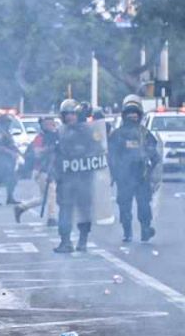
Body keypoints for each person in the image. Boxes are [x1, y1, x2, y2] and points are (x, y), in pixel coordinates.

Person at [53, 99, 106, 253]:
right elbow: (55, 153)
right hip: (66, 178)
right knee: (65, 210)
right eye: (66, 114)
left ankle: (82, 240)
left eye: (72, 113)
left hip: (83, 177)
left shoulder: (89, 131)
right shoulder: (60, 132)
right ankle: (65, 241)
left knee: (84, 210)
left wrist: (83, 156)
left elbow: (99, 150)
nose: (69, 117)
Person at [108, 94, 161, 243]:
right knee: (125, 206)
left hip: (141, 176)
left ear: (140, 115)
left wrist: (151, 173)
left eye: (135, 113)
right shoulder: (117, 135)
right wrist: (114, 173)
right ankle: (127, 232)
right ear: (124, 115)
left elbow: (155, 156)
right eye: (130, 113)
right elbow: (110, 155)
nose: (133, 116)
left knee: (143, 204)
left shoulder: (145, 134)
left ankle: (145, 230)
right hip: (124, 177)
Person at [14, 116, 61, 225]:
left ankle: (21, 207)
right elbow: (37, 152)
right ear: (43, 125)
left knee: (44, 197)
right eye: (49, 124)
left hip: (49, 169)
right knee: (51, 193)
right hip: (41, 170)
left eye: (53, 124)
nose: (52, 126)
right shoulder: (41, 138)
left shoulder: (55, 137)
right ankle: (51, 218)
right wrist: (50, 148)